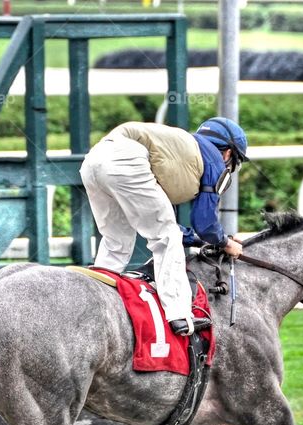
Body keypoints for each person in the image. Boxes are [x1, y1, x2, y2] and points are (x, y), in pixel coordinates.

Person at [80, 116, 248, 336]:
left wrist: (200, 240)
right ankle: (180, 316)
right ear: (227, 153)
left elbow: (168, 221)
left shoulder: (180, 153)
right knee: (166, 238)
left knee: (116, 239)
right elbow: (204, 223)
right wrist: (225, 243)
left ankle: (98, 295)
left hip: (93, 160)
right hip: (126, 159)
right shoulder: (214, 160)